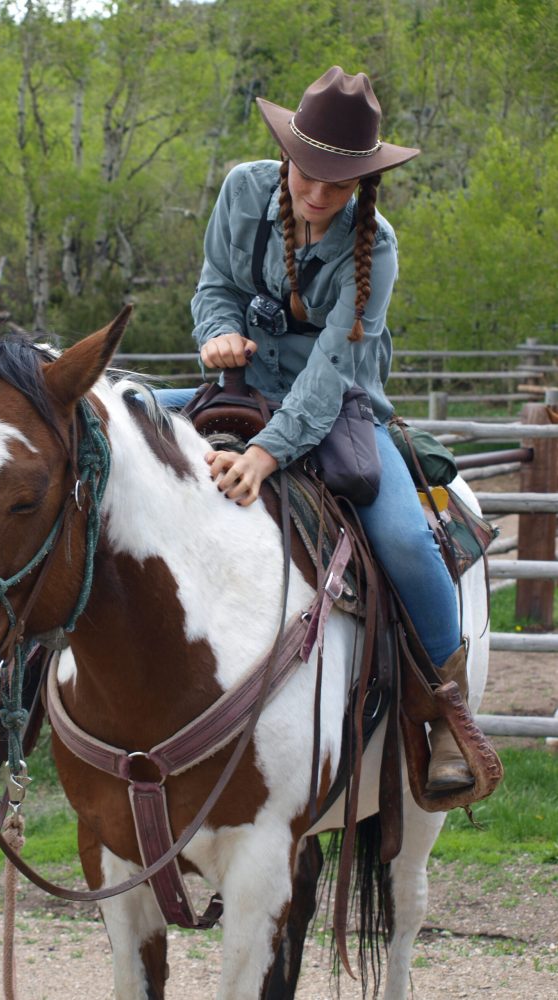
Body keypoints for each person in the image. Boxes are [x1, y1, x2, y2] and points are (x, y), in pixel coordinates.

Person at [189, 65, 473, 793]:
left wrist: (267, 451)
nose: (316, 196)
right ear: (287, 155)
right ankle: (33, 686)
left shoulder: (376, 247)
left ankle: (447, 715)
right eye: (305, 175)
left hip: (336, 404)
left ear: (364, 183)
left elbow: (334, 366)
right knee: (112, 442)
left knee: (408, 540)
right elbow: (216, 284)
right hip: (241, 385)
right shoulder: (242, 190)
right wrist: (218, 333)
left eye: (337, 185)